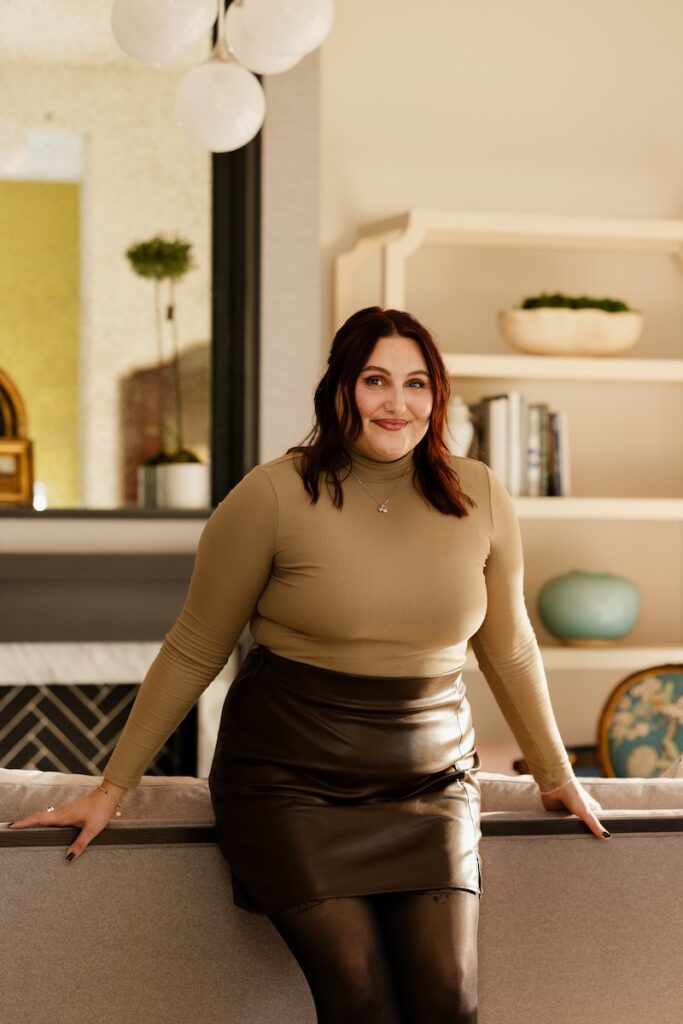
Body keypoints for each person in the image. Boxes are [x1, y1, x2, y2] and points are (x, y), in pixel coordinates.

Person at [8, 306, 610, 1024]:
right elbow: (194, 645)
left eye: (416, 383)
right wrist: (112, 788)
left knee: (448, 1003)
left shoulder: (479, 493)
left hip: (430, 781)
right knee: (360, 999)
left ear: (436, 396)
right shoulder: (269, 495)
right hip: (291, 781)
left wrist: (555, 774)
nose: (397, 403)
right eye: (375, 380)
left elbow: (507, 644)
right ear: (338, 390)